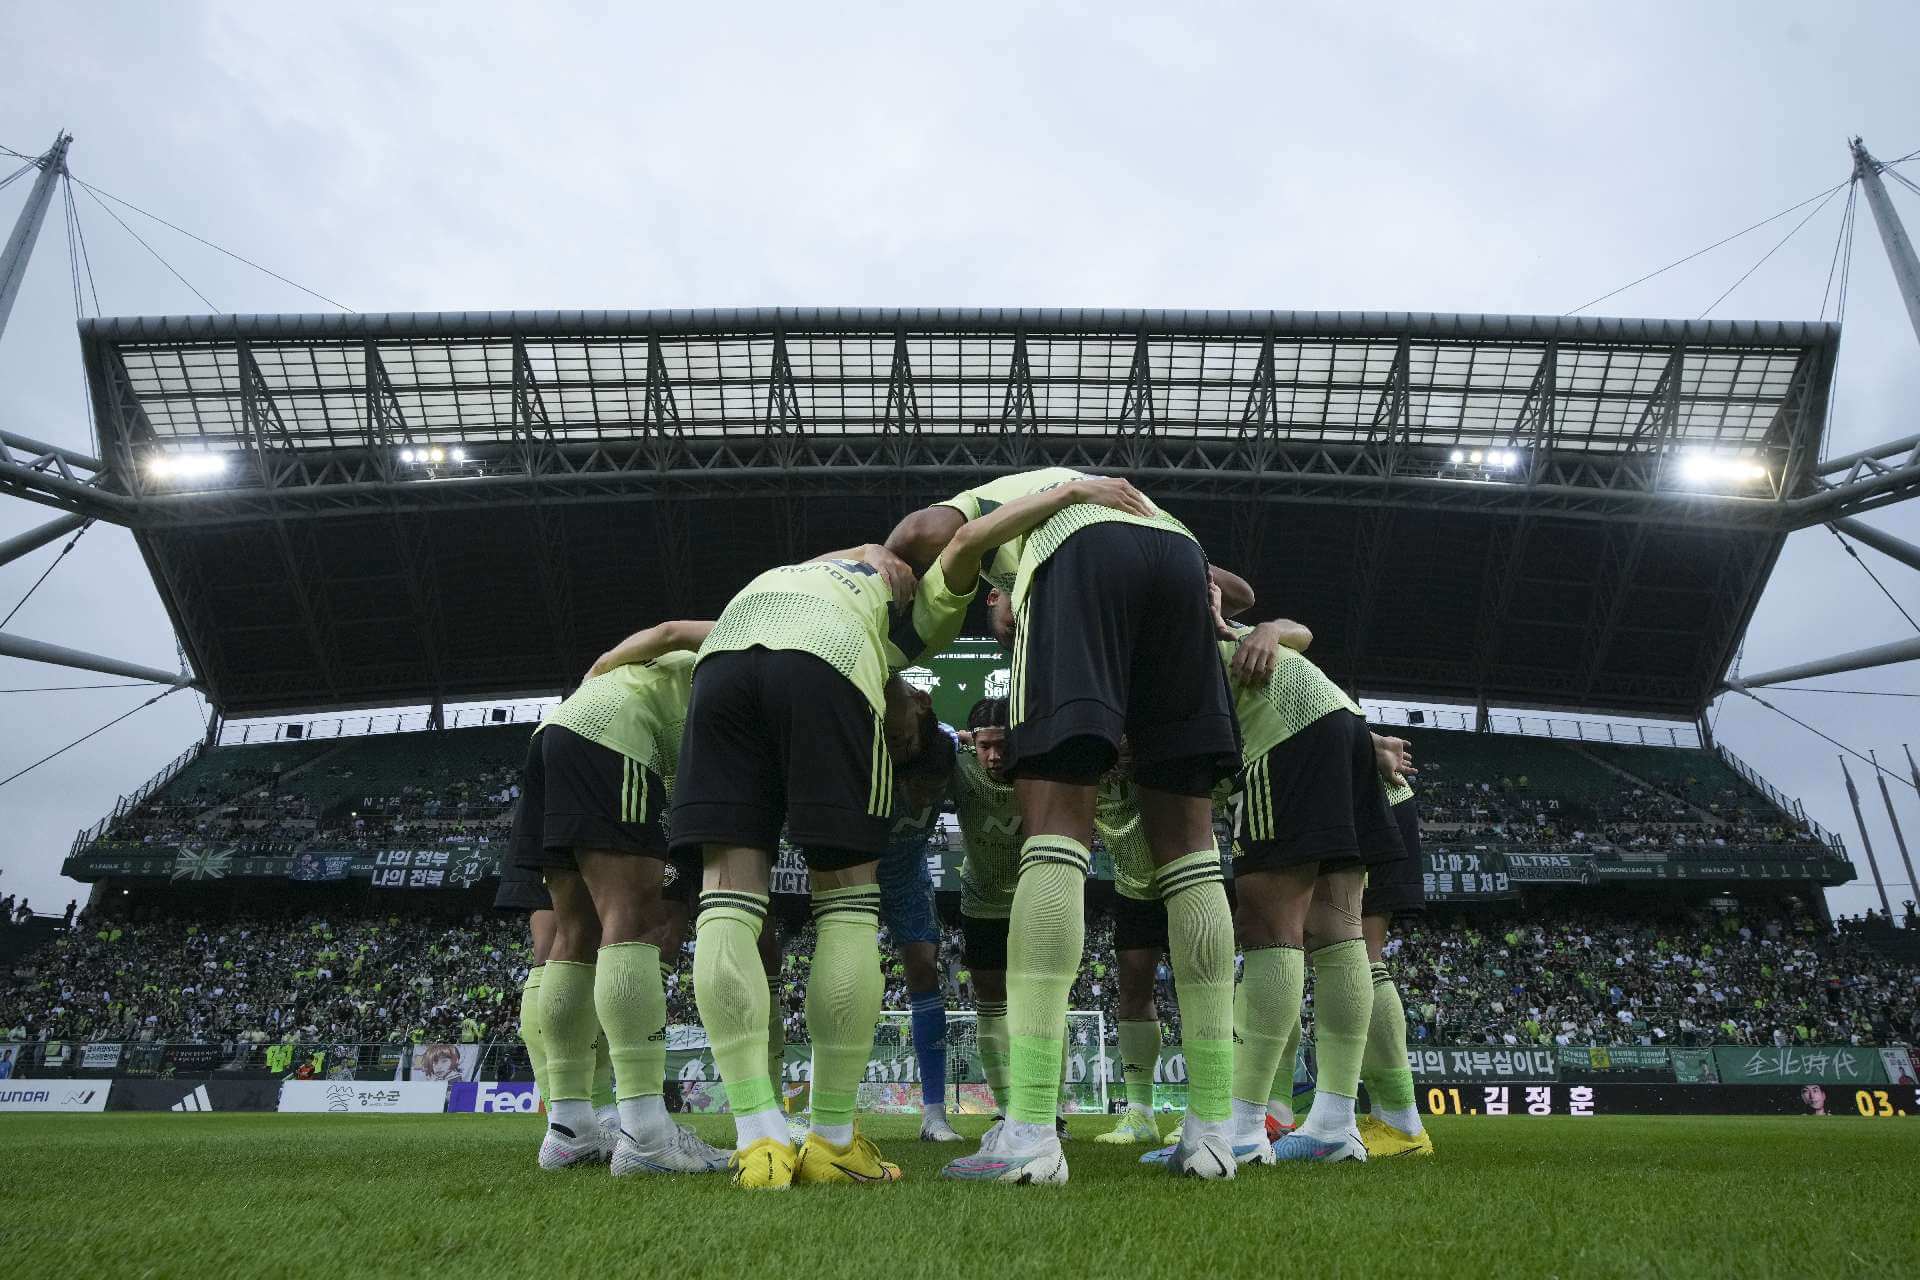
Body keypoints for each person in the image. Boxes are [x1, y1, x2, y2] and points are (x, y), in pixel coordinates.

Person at [672, 480, 1126, 1189]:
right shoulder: (926, 594)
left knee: (728, 895)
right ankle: (829, 1139)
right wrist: (1077, 489)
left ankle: (757, 1136)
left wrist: (864, 549)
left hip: (726, 656)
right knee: (847, 903)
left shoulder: (821, 569)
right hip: (822, 660)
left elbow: (681, 632)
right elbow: (973, 534)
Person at [890, 469, 1247, 1185]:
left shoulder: (1007, 513)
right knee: (1191, 848)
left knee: (1054, 832)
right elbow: (1236, 592)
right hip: (1182, 557)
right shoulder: (1123, 498)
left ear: (997, 591)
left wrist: (886, 561)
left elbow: (924, 532)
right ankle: (1211, 1130)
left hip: (1079, 560)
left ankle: (1028, 1131)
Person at [514, 619, 729, 1176]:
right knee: (633, 921)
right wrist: (604, 661)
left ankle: (570, 1127)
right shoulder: (767, 635)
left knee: (574, 931)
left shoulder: (711, 679)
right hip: (615, 733)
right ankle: (646, 1131)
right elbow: (671, 629)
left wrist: (597, 675)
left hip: (555, 733)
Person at [1203, 599, 1409, 1165]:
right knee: (1338, 934)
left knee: (1268, 928)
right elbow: (1296, 629)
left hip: (1280, 742)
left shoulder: (1167, 636)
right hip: (1342, 726)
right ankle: (1334, 1123)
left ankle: (1242, 1128)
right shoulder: (1225, 630)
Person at [873, 706, 966, 1142]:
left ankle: (933, 1114)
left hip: (909, 877)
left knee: (925, 972)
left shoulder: (944, 744)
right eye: (921, 791)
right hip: (857, 872)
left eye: (937, 791)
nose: (928, 800)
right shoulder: (878, 761)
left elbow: (962, 736)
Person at [1093, 763, 1169, 1146]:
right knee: (1133, 990)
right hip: (1132, 888)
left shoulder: (1156, 735)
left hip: (1186, 874)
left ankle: (1210, 1112)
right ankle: (1141, 1113)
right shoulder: (1082, 750)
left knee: (1201, 988)